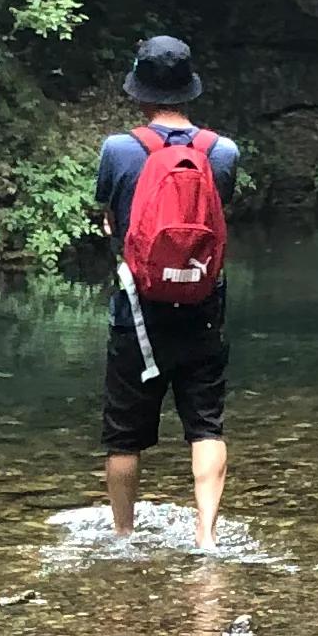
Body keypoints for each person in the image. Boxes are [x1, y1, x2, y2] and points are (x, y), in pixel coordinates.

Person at [98, 32, 239, 549]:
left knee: (123, 434)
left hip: (136, 311)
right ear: (189, 88)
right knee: (206, 425)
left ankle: (123, 535)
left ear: (140, 91)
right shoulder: (222, 151)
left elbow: (112, 219)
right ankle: (206, 536)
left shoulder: (118, 149)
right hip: (203, 304)